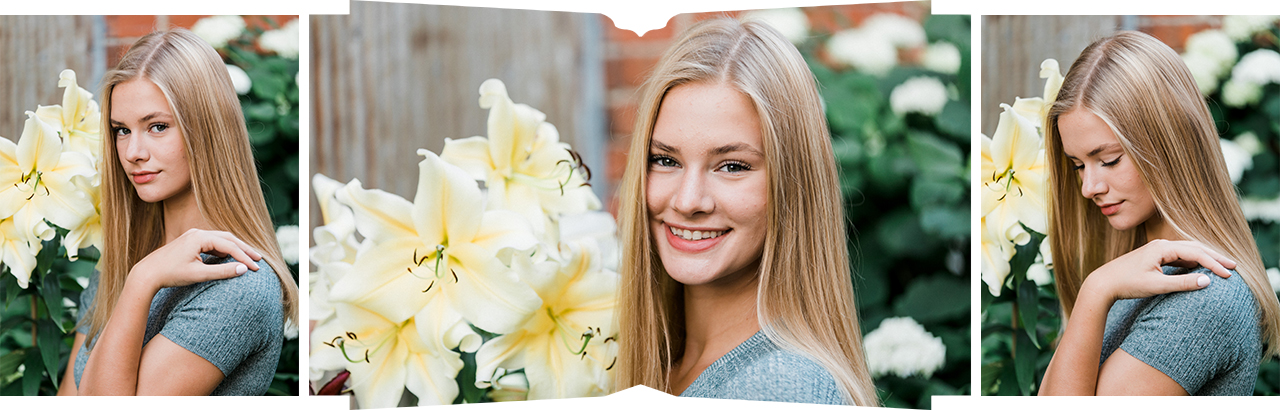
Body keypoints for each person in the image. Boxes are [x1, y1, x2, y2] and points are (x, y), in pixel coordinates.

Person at [612, 18, 878, 405]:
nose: (687, 201)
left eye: (732, 166)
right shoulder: (663, 366)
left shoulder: (783, 388)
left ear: (792, 184)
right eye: (666, 160)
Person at [55, 28, 299, 396]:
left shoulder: (239, 285)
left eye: (157, 127)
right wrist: (139, 274)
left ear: (207, 129)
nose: (133, 152)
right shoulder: (122, 259)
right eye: (121, 130)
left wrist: (142, 280)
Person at [1039, 30, 1280, 396]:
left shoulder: (1203, 298)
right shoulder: (1133, 274)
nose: (1089, 187)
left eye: (1109, 160)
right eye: (1078, 165)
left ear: (1168, 143)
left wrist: (1096, 289)